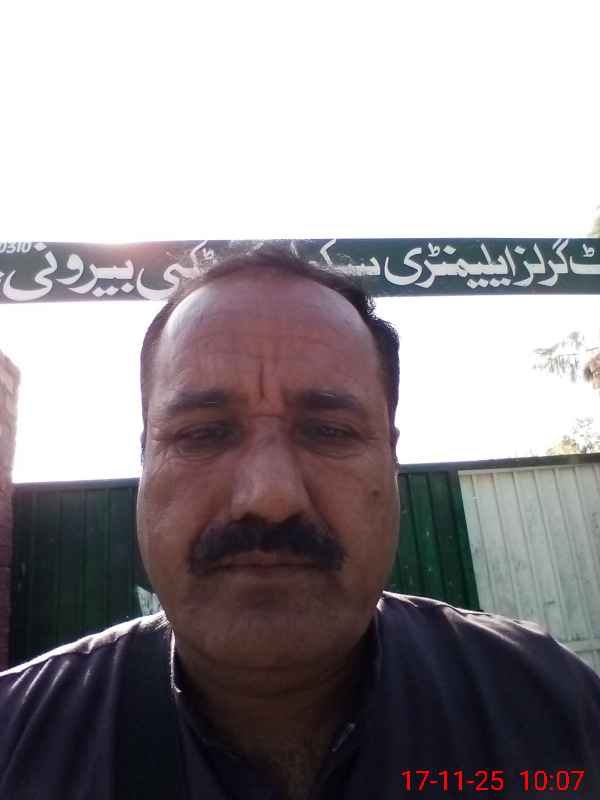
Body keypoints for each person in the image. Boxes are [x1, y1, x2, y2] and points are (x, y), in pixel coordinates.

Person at [1, 246, 599, 800]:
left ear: (392, 462)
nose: (269, 498)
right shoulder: (16, 739)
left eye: (330, 432)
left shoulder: (550, 705)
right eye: (203, 434)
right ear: (144, 463)